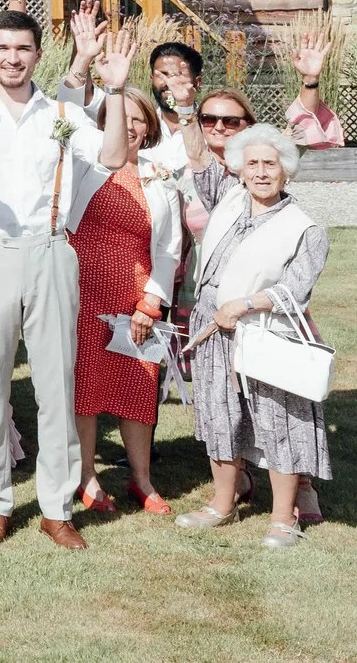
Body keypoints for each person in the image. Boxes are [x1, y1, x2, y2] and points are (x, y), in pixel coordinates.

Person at [0, 5, 107, 550]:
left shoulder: (62, 113)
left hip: (50, 250)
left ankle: (56, 507)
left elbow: (111, 156)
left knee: (54, 385)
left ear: (38, 55)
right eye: (1, 49)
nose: (12, 58)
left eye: (22, 49)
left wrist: (107, 89)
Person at [172, 120, 331, 546]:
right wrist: (186, 110)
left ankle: (283, 518)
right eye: (253, 163)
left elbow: (294, 289)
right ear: (240, 168)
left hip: (265, 333)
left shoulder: (305, 228)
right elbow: (201, 159)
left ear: (286, 171)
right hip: (212, 330)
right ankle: (222, 503)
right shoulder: (227, 200)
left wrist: (244, 305)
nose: (261, 172)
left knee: (279, 420)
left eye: (271, 164)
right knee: (218, 413)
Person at [70, 66, 182, 517]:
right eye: (120, 116)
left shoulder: (161, 173)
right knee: (85, 386)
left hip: (133, 295)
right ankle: (87, 477)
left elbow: (170, 245)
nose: (129, 126)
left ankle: (141, 479)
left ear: (150, 127)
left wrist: (151, 301)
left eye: (138, 119)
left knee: (137, 383)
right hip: (80, 292)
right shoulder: (85, 162)